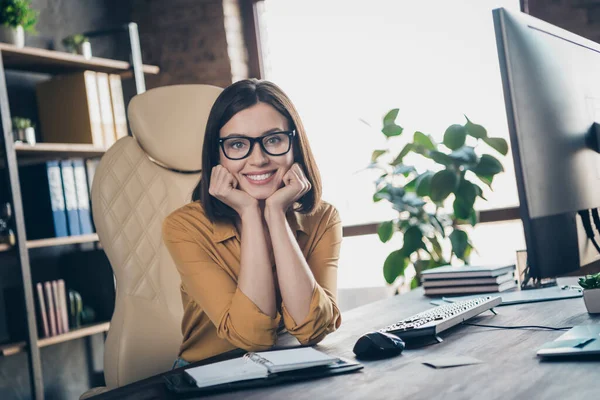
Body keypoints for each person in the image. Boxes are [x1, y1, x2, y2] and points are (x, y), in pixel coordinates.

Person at [162, 79, 342, 367]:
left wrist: (274, 214)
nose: (258, 159)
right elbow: (252, 337)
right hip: (210, 374)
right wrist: (249, 212)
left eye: (273, 140)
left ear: (294, 145)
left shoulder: (323, 218)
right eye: (237, 144)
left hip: (292, 367)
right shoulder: (183, 227)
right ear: (216, 155)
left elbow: (312, 330)